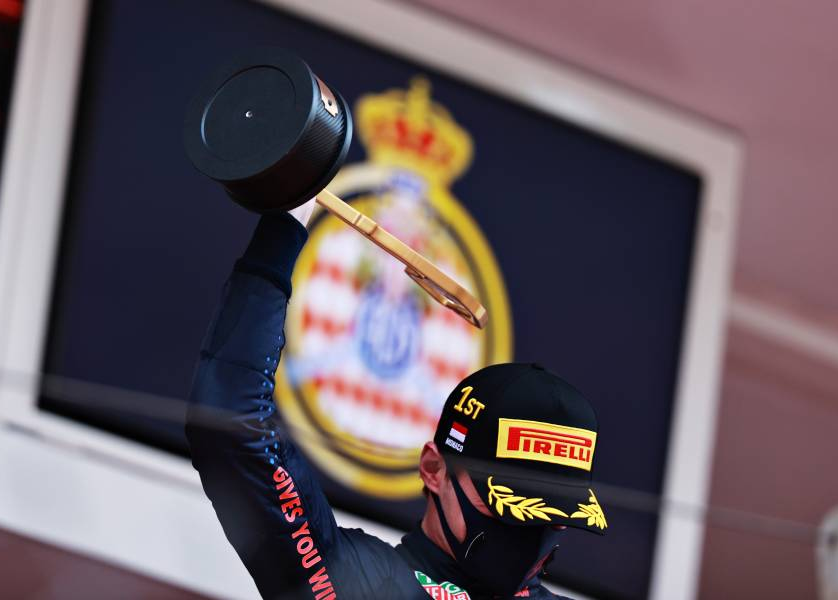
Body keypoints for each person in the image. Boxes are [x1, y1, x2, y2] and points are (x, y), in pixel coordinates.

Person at [185, 199, 607, 600]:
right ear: (434, 469)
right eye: (509, 509)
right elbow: (229, 426)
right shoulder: (368, 586)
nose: (532, 536)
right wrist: (287, 220)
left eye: (555, 519)